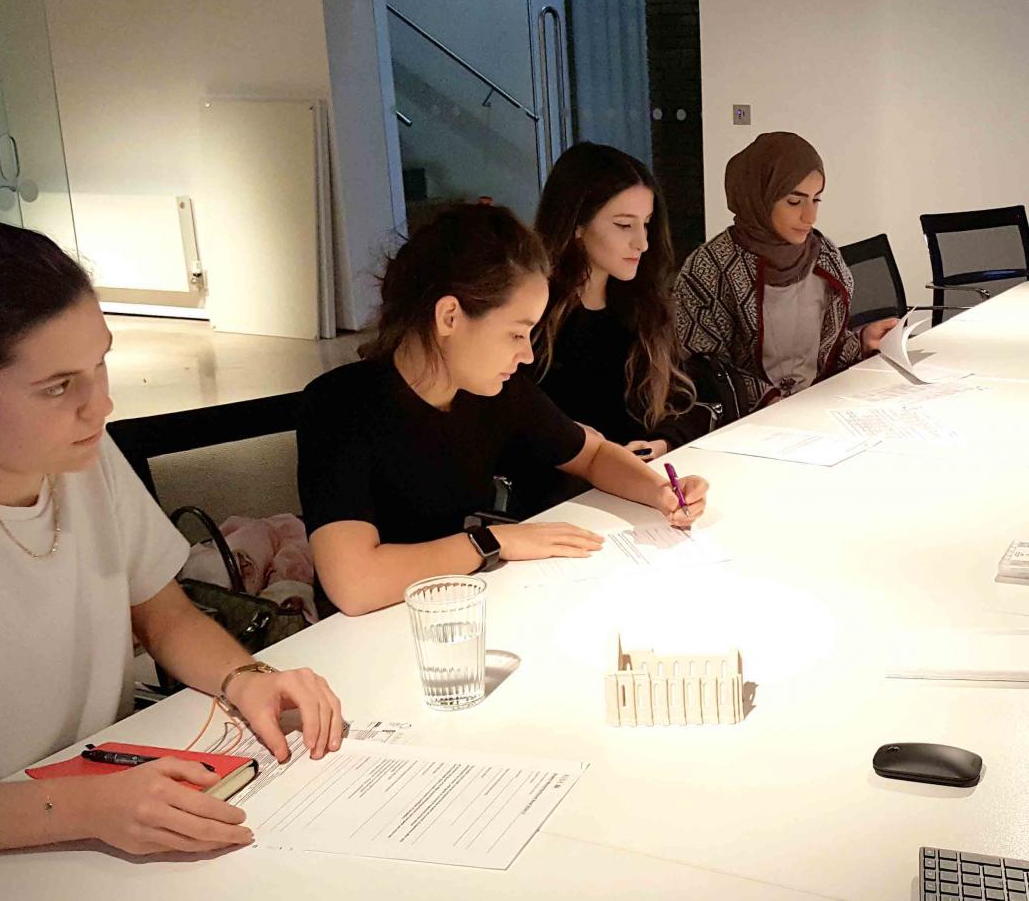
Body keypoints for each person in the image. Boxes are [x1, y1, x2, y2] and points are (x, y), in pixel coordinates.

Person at [0, 221, 343, 862]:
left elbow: (163, 615)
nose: (99, 405)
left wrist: (247, 677)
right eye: (58, 386)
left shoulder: (80, 457)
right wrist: (82, 809)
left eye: (100, 364)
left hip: (87, 811)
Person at [297, 204, 709, 617]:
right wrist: (494, 541)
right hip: (361, 635)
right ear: (450, 316)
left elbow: (594, 454)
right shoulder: (340, 405)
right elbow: (353, 584)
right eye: (516, 332)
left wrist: (658, 492)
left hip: (449, 605)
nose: (527, 354)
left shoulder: (496, 393)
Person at [674, 131, 899, 413]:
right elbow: (702, 368)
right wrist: (768, 401)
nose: (810, 217)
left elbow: (825, 352)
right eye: (795, 202)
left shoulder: (824, 258)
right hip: (743, 426)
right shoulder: (709, 269)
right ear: (759, 198)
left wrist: (863, 342)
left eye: (816, 200)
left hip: (820, 410)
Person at [534, 142, 710, 463]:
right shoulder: (532, 314)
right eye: (624, 225)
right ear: (577, 224)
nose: (641, 243)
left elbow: (683, 398)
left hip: (644, 479)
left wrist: (662, 441)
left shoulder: (644, 305)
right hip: (563, 496)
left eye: (646, 223)